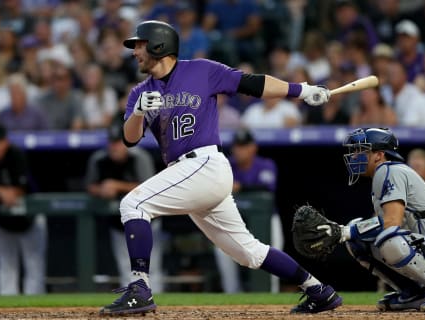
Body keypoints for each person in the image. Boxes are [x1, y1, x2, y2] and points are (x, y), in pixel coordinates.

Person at [99, 20, 340, 316]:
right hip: (188, 175)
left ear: (158, 45)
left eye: (139, 44)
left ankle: (139, 287)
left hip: (204, 164)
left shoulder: (201, 70)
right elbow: (130, 139)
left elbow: (252, 83)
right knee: (248, 252)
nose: (135, 51)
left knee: (133, 204)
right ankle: (318, 290)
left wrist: (300, 91)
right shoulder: (140, 92)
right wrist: (138, 112)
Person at [330, 128, 425, 311]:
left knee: (391, 239)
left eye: (360, 150)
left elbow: (392, 222)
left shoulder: (390, 170)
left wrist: (346, 231)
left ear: (379, 155)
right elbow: (382, 222)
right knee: (359, 240)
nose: (354, 156)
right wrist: (349, 231)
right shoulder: (384, 173)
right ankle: (414, 293)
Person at [85, 124, 164, 292]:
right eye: (112, 143)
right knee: (124, 267)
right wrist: (101, 189)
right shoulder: (99, 159)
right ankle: (130, 303)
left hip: (147, 222)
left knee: (152, 266)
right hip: (119, 225)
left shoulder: (139, 158)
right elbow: (89, 185)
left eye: (119, 142)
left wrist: (117, 186)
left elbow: (150, 187)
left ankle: (158, 306)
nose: (115, 147)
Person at [0, 123, 47, 295]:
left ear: (5, 141)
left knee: (34, 267)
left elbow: (16, 193)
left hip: (30, 219)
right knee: (6, 267)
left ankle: (34, 312)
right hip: (3, 222)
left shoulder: (16, 155)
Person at [214, 128, 283, 293]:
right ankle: (232, 293)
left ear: (253, 147)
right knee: (221, 251)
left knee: (273, 252)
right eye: (237, 146)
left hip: (266, 219)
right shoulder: (226, 164)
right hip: (235, 220)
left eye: (244, 146)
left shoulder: (266, 164)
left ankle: (271, 294)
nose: (240, 150)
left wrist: (241, 187)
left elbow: (268, 188)